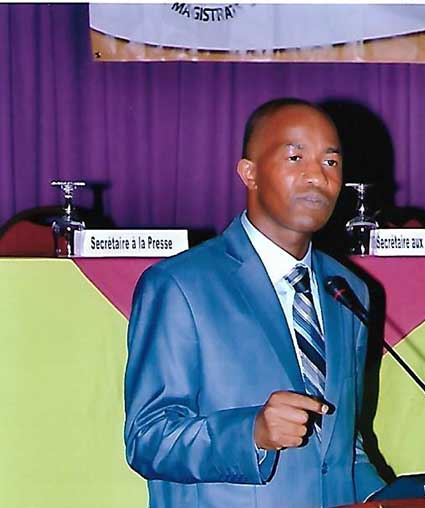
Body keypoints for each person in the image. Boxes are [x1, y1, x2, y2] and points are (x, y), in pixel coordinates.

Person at [124, 97, 385, 508]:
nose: (317, 176)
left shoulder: (348, 289)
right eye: (296, 157)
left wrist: (393, 499)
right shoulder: (178, 285)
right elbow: (148, 438)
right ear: (250, 173)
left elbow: (340, 446)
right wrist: (251, 433)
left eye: (331, 162)